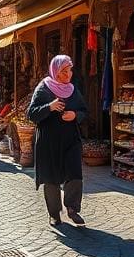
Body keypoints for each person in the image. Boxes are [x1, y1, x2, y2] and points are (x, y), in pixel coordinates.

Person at [27, 55, 88, 226]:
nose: (68, 74)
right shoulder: (44, 88)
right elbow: (31, 113)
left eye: (69, 70)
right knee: (51, 178)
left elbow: (84, 111)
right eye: (64, 71)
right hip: (49, 141)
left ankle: (73, 209)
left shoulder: (73, 90)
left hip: (71, 140)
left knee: (75, 174)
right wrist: (49, 107)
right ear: (56, 72)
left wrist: (75, 115)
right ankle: (54, 214)